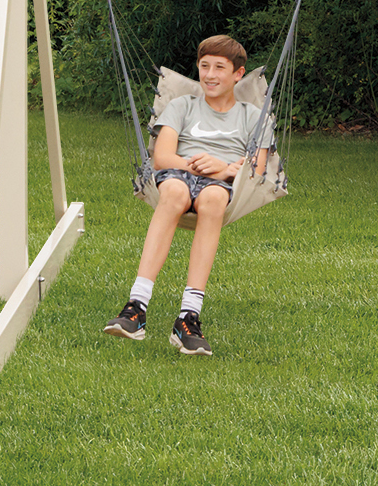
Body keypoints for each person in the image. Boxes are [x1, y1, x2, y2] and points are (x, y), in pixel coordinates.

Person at [101, 34, 268, 356]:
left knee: (214, 201)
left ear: (238, 74)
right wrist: (209, 168)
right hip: (178, 173)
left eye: (220, 67)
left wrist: (222, 169)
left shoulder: (252, 115)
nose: (210, 74)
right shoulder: (183, 105)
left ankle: (188, 316)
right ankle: (136, 307)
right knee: (175, 194)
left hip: (220, 184)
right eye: (204, 66)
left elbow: (258, 168)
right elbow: (162, 157)